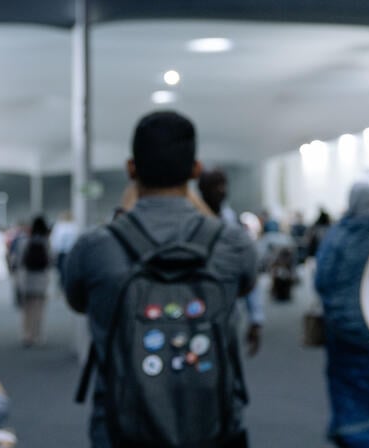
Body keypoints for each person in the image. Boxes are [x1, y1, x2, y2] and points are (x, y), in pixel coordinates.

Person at [64, 110, 258, 448]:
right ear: (196, 171)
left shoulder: (94, 249)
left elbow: (78, 302)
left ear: (130, 169)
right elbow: (246, 286)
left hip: (120, 431)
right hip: (215, 427)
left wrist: (124, 217)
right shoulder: (233, 245)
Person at [315, 182, 369, 448]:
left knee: (348, 388)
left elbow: (321, 280)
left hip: (343, 331)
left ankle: (353, 434)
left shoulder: (337, 236)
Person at [198, 167, 265, 356]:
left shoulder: (234, 225)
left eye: (223, 185)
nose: (220, 190)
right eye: (214, 185)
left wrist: (256, 319)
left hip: (230, 314)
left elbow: (250, 277)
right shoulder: (191, 225)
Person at [13, 214, 51, 347]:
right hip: (41, 279)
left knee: (27, 309)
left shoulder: (25, 241)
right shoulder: (46, 242)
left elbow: (19, 261)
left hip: (27, 278)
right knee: (39, 308)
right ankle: (37, 335)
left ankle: (26, 334)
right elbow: (50, 260)